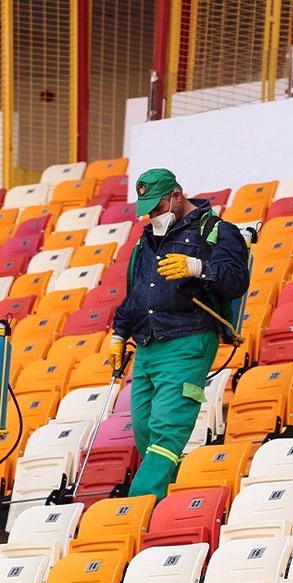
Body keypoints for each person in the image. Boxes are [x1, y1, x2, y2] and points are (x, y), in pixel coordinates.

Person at [110, 168, 251, 501]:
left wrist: (199, 268)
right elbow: (137, 295)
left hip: (189, 339)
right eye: (146, 210)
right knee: (144, 428)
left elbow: (236, 280)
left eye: (156, 208)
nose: (151, 216)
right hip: (147, 344)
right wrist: (119, 334)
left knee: (166, 430)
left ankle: (138, 507)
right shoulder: (147, 241)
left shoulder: (216, 231)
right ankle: (178, 495)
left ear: (176, 195)